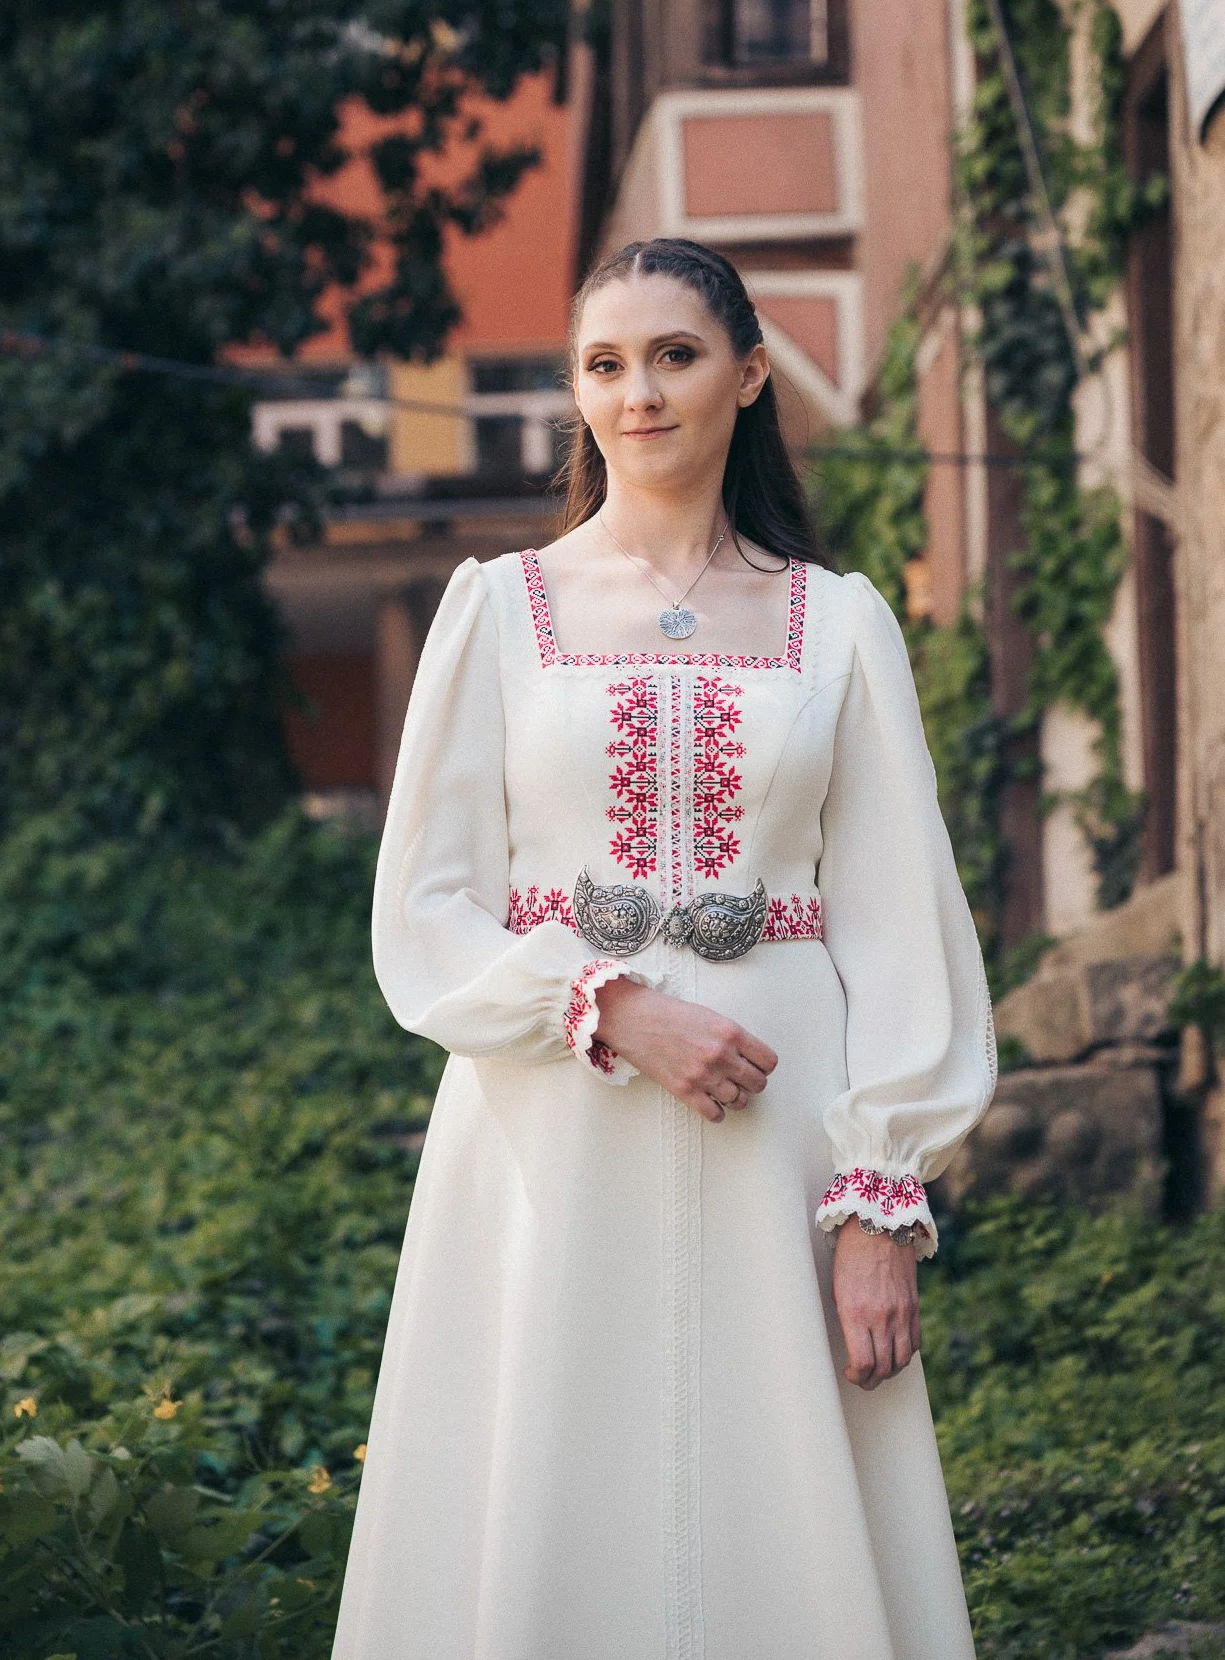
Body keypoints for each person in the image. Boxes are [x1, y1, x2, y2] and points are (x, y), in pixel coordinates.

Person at [330, 237, 995, 1660]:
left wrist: (882, 1204)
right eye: (606, 364)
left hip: (793, 1144)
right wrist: (612, 1006)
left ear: (750, 377)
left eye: (677, 356)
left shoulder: (844, 626)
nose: (641, 393)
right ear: (579, 396)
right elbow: (426, 909)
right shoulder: (496, 611)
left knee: (789, 1504)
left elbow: (901, 928)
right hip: (551, 1125)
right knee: (553, 1487)